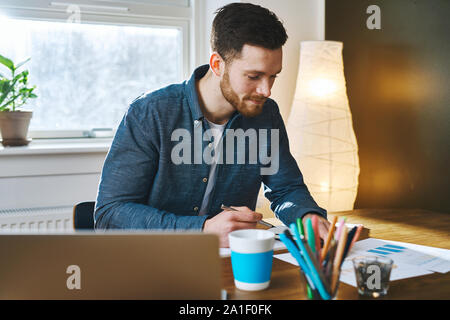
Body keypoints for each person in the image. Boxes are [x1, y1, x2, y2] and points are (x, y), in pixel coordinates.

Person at [95, 2, 330, 247]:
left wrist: (306, 215)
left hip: (230, 266)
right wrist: (203, 230)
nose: (266, 90)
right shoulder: (150, 113)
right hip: (156, 262)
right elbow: (110, 214)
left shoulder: (266, 115)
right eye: (254, 76)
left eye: (273, 76)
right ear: (217, 64)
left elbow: (286, 188)